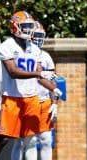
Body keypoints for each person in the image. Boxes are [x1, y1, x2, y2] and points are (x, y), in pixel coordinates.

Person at [0, 11, 58, 160]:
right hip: (12, 97)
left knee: (31, 139)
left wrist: (54, 88)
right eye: (25, 26)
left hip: (31, 98)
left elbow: (41, 75)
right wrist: (37, 74)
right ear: (14, 27)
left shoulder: (35, 49)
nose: (28, 29)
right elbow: (13, 71)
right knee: (4, 138)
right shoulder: (6, 46)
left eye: (29, 26)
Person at [32, 21, 58, 160]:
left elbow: (52, 80)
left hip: (44, 101)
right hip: (27, 101)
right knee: (28, 141)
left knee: (46, 140)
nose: (38, 39)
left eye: (40, 35)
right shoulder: (23, 54)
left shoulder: (46, 57)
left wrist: (54, 102)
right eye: (35, 35)